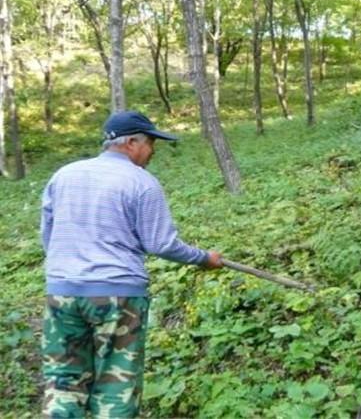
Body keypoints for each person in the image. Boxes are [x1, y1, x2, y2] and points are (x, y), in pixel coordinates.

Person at [40, 110, 223, 418]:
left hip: (62, 291)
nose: (152, 151)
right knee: (116, 385)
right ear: (132, 143)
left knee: (63, 381)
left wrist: (67, 268)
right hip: (118, 296)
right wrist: (204, 258)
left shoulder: (64, 175)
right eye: (151, 143)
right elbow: (160, 244)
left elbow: (48, 234)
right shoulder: (141, 182)